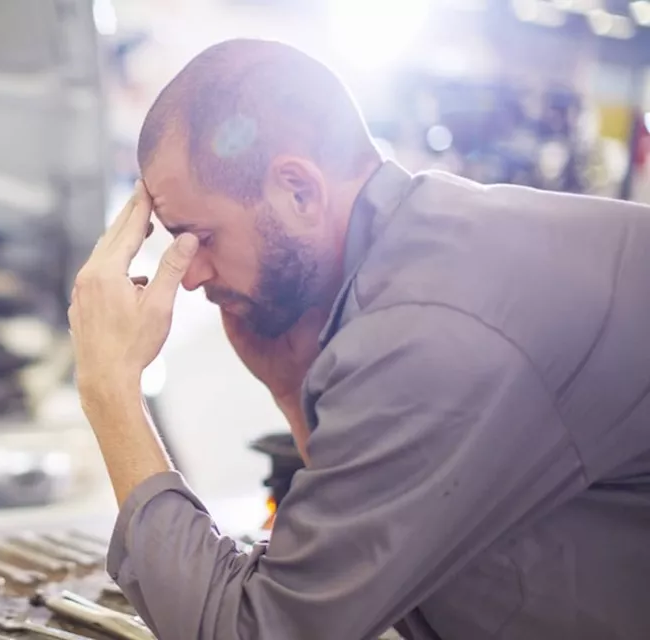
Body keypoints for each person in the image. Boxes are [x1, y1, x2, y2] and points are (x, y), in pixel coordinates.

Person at [67, 38, 650, 640]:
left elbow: (258, 632)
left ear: (300, 190)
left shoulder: (429, 329)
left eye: (200, 237)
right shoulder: (420, 248)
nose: (189, 276)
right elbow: (362, 567)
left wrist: (111, 390)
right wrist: (294, 389)